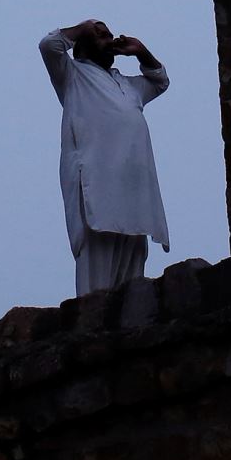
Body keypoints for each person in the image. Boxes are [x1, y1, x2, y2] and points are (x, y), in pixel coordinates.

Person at [38, 18, 170, 296]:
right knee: (97, 290)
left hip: (135, 197)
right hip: (97, 191)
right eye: (100, 35)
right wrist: (82, 28)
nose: (108, 38)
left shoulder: (128, 85)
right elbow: (49, 46)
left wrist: (141, 52)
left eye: (109, 34)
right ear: (82, 46)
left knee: (132, 289)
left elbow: (160, 82)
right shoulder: (72, 75)